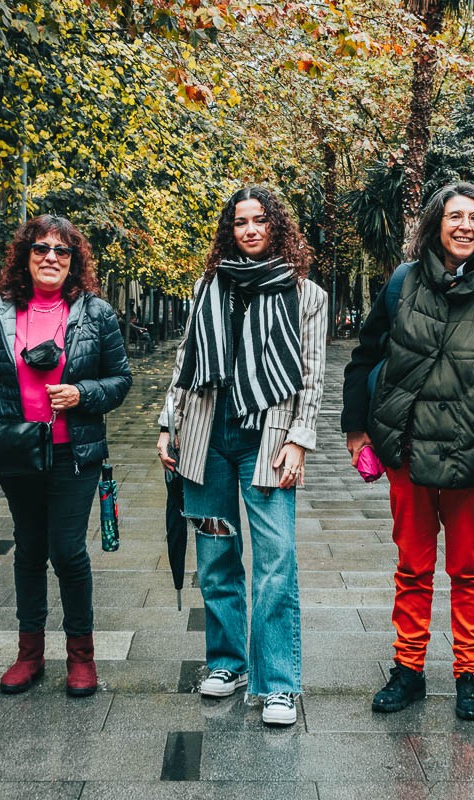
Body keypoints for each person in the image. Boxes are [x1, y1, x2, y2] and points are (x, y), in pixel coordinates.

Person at [341, 182, 474, 721]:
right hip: (406, 455)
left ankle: (469, 676)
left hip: (473, 464)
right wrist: (356, 429)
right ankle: (407, 671)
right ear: (436, 224)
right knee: (412, 567)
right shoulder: (402, 283)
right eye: (456, 216)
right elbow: (365, 356)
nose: (465, 226)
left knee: (469, 571)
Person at [156, 186, 327, 727]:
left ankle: (278, 683)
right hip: (206, 437)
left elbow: (312, 377)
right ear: (229, 230)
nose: (249, 230)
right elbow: (187, 361)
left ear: (276, 226)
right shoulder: (211, 286)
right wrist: (168, 425)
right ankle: (227, 664)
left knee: (275, 561)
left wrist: (299, 439)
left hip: (268, 438)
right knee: (216, 558)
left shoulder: (307, 295)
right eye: (239, 222)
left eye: (258, 221)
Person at [0, 215, 131, 697]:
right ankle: (29, 654)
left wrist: (82, 394)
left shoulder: (96, 313)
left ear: (74, 262)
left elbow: (121, 380)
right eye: (41, 249)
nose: (50, 258)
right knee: (29, 551)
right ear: (26, 256)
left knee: (67, 551)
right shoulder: (0, 311)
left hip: (74, 455)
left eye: (62, 252)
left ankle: (81, 656)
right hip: (18, 453)